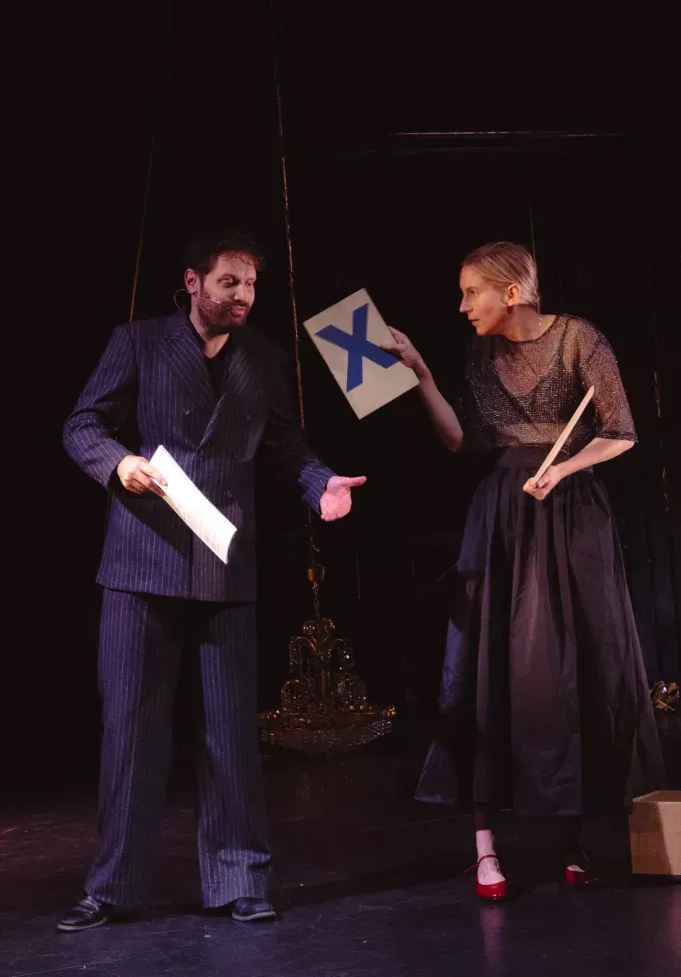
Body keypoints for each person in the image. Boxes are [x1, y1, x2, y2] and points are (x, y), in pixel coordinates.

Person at [58, 227, 366, 931]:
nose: (243, 296)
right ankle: (112, 887)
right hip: (141, 563)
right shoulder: (138, 342)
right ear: (193, 281)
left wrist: (320, 482)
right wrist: (118, 463)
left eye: (251, 284)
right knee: (131, 734)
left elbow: (286, 446)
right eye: (230, 282)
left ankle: (239, 880)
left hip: (224, 563)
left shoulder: (262, 357)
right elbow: (82, 424)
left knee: (230, 733)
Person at [384, 241, 664, 900]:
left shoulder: (578, 340)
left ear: (511, 293)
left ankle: (572, 841)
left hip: (570, 515)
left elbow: (620, 431)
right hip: (503, 517)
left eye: (471, 291)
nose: (462, 306)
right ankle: (484, 848)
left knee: (569, 667)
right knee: (488, 665)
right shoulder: (479, 355)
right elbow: (463, 442)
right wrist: (421, 375)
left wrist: (563, 467)